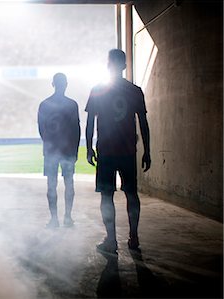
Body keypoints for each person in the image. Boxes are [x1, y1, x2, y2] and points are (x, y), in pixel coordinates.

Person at [85, 49, 151, 254]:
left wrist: (88, 148)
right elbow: (143, 123)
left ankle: (111, 240)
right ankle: (134, 236)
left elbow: (89, 122)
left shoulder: (98, 89)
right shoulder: (135, 90)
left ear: (108, 65)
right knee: (131, 194)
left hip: (106, 151)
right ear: (124, 65)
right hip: (128, 151)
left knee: (107, 195)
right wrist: (147, 150)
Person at [38, 73, 81, 228]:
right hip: (67, 150)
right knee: (69, 183)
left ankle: (54, 219)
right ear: (66, 84)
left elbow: (41, 129)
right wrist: (74, 150)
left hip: (51, 150)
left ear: (53, 84)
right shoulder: (72, 104)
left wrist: (49, 144)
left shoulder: (45, 104)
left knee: (51, 184)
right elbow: (76, 129)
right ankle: (67, 218)